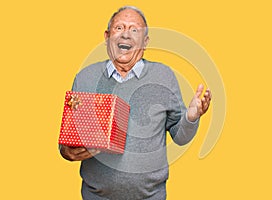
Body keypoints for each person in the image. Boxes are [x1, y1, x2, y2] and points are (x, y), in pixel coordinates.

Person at [60, 6, 212, 200]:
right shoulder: (85, 77)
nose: (126, 35)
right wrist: (66, 151)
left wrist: (191, 117)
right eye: (119, 28)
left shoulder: (163, 76)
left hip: (150, 196)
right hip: (95, 196)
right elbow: (68, 137)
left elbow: (180, 137)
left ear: (145, 41)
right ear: (107, 36)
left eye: (134, 30)